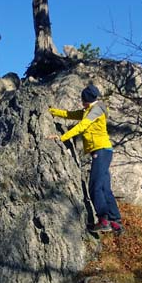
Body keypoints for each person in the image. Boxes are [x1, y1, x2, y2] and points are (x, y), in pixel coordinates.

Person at [48, 83, 123, 234]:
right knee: (104, 187)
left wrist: (62, 138)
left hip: (100, 150)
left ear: (86, 99)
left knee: (94, 186)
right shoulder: (89, 109)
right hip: (105, 150)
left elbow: (82, 126)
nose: (81, 102)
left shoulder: (96, 110)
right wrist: (52, 111)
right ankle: (115, 222)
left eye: (82, 99)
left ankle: (103, 220)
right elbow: (70, 114)